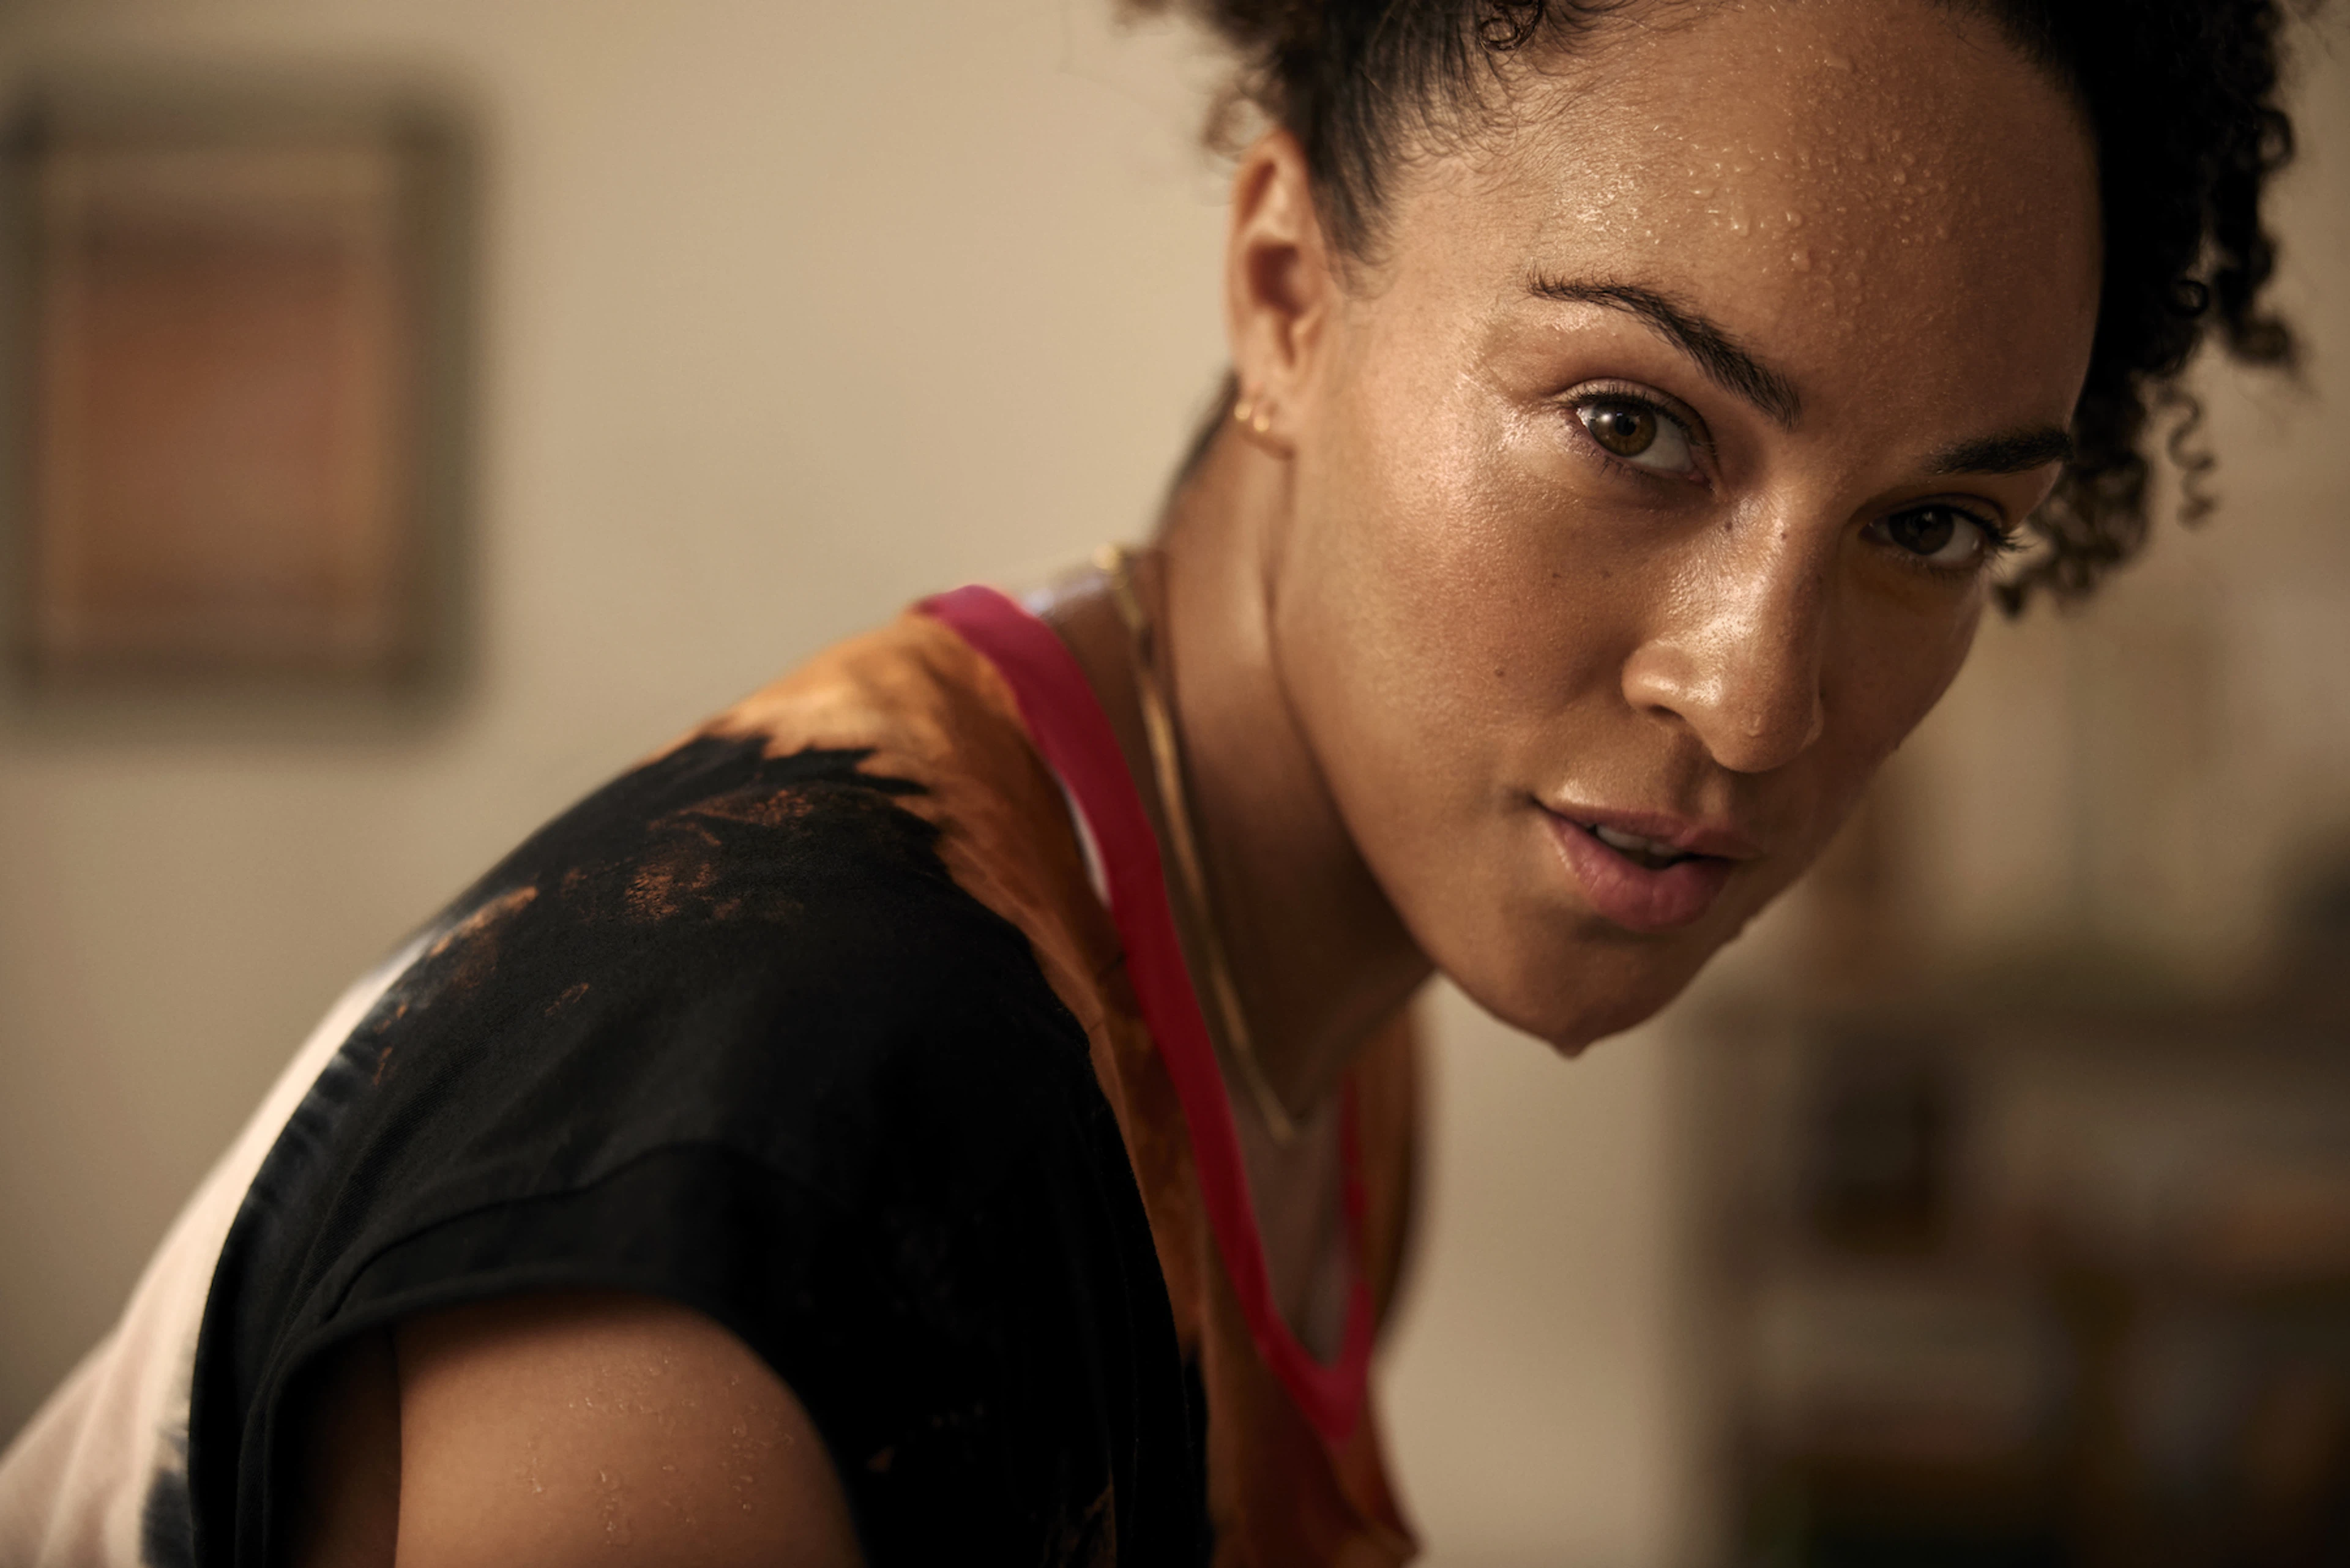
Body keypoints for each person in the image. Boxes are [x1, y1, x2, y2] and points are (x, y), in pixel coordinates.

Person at [0, 1, 2307, 1563]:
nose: (1760, 701)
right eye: (1634, 424)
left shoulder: (1302, 962)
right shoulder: (778, 1180)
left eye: (1929, 529)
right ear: (1291, 291)